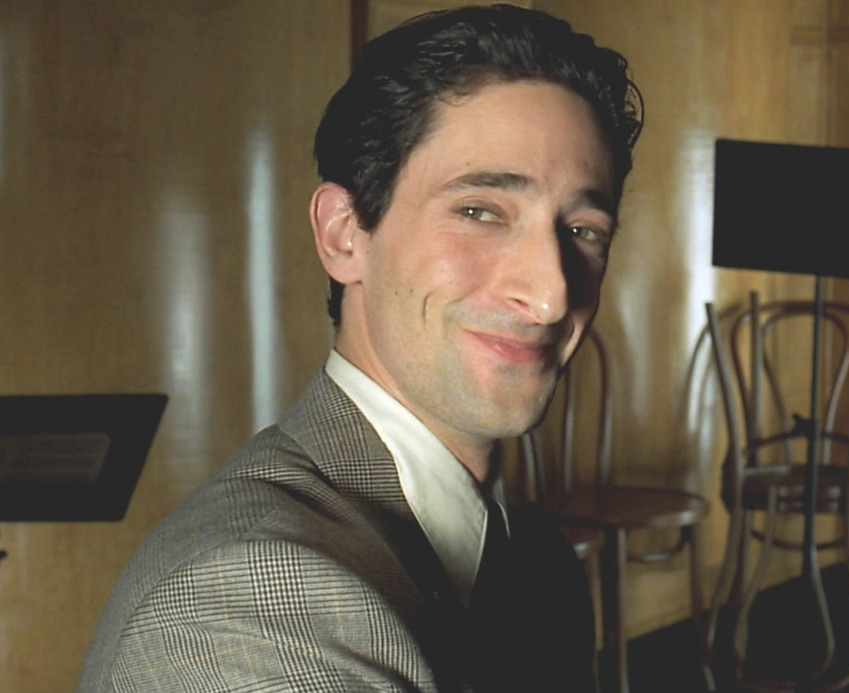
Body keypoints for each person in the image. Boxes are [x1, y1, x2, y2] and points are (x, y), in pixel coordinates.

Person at [77, 5, 642, 692]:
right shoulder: (243, 601)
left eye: (583, 230)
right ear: (344, 234)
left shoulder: (536, 560)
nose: (551, 295)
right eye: (479, 212)